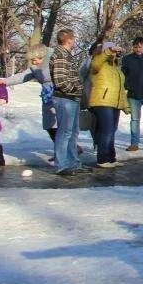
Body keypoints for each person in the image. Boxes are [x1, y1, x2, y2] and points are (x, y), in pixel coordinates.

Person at [87, 42, 129, 166]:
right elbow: (96, 63)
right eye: (113, 51)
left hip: (114, 103)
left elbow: (120, 88)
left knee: (112, 130)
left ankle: (111, 157)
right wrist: (108, 51)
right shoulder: (98, 62)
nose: (115, 53)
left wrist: (124, 104)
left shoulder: (115, 67)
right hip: (101, 101)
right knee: (107, 130)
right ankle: (102, 158)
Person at [49, 29, 84, 175]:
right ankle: (62, 164)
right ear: (68, 39)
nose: (74, 40)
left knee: (73, 132)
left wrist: (79, 89)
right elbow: (61, 81)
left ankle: (73, 162)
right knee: (65, 132)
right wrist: (75, 89)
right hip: (65, 98)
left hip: (72, 99)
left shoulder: (67, 55)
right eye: (73, 38)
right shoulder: (60, 55)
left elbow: (74, 77)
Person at [4, 47, 56, 148]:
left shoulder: (54, 61)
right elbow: (22, 76)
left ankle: (66, 151)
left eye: (34, 60)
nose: (33, 62)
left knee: (60, 126)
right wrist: (5, 81)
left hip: (58, 95)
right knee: (49, 126)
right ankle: (63, 150)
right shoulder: (35, 67)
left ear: (41, 56)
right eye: (32, 60)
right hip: (46, 97)